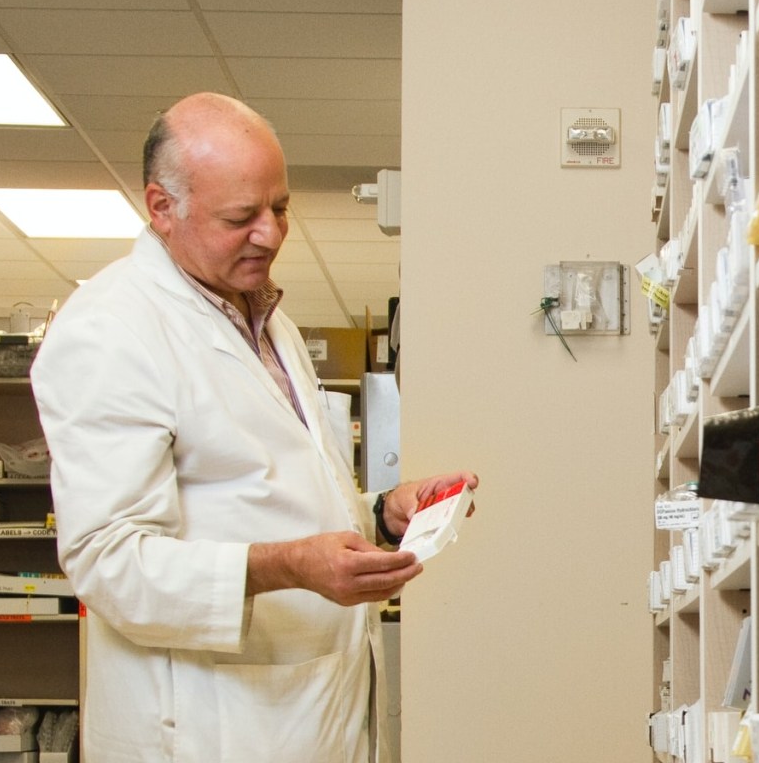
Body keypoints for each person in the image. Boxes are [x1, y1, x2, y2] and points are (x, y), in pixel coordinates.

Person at [30, 91, 477, 763]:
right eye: (241, 217)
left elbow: (265, 500)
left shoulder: (268, 323)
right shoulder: (111, 330)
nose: (270, 234)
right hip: (210, 729)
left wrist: (381, 518)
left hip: (311, 711)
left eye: (280, 207)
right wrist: (289, 566)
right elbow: (109, 561)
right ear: (161, 208)